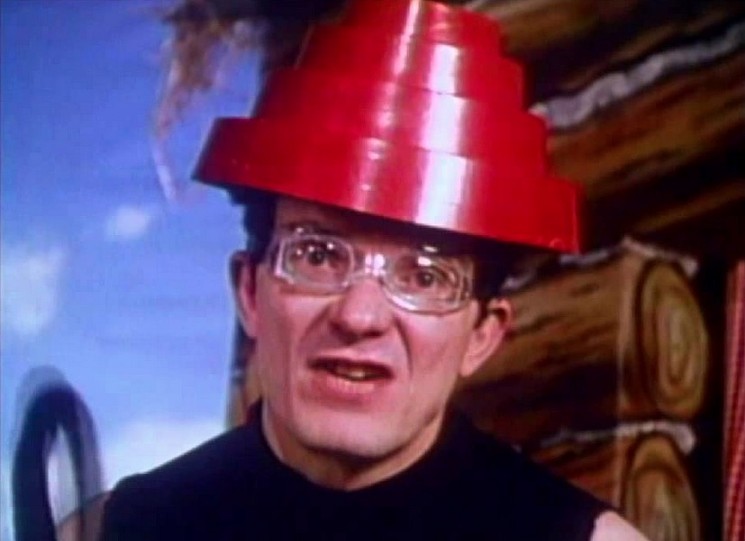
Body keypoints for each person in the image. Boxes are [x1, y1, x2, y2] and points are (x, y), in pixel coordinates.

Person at [99, 0, 648, 539]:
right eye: (318, 256)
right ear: (248, 291)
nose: (360, 316)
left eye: (425, 277)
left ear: (482, 335)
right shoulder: (112, 530)